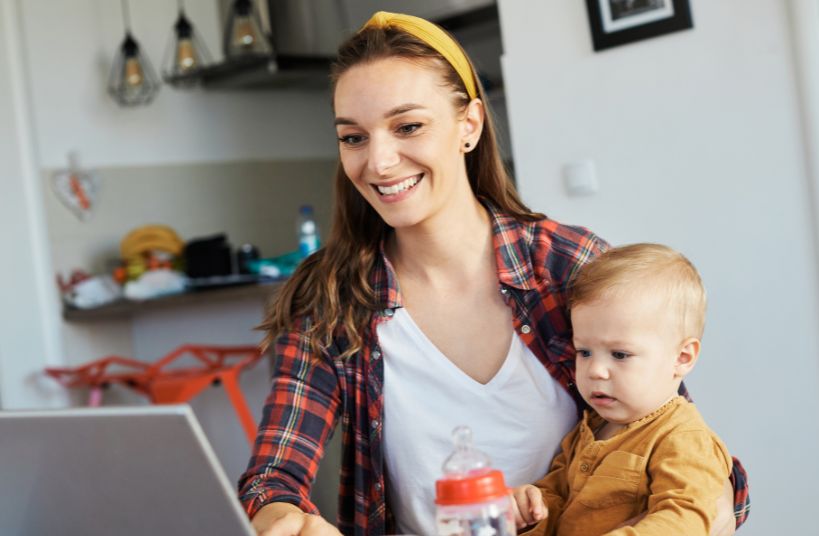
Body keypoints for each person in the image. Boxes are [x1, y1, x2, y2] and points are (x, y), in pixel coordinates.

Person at [237, 11, 749, 536]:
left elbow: (677, 445)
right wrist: (286, 520)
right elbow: (274, 476)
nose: (380, 161)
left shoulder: (567, 265)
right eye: (353, 137)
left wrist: (708, 508)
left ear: (470, 125)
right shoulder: (331, 298)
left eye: (408, 126)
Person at [511, 244, 733, 536]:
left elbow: (684, 517)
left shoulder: (682, 437)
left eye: (619, 355)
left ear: (682, 358)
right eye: (584, 352)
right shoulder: (590, 428)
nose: (595, 371)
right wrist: (533, 504)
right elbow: (559, 495)